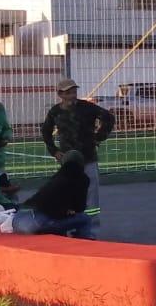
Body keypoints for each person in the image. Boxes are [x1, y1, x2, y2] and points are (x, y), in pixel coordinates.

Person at [39, 78, 115, 234]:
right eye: (68, 93)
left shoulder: (87, 107)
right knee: (68, 195)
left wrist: (99, 137)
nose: (72, 95)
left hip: (88, 158)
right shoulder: (55, 111)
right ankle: (71, 226)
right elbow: (46, 131)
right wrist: (54, 151)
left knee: (91, 196)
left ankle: (91, 230)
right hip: (68, 161)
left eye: (74, 91)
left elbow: (108, 117)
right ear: (60, 94)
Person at [11, 150, 94, 238]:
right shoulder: (81, 178)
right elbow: (80, 208)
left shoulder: (57, 176)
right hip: (35, 223)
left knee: (59, 217)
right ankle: (83, 243)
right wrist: (69, 211)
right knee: (85, 219)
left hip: (18, 220)